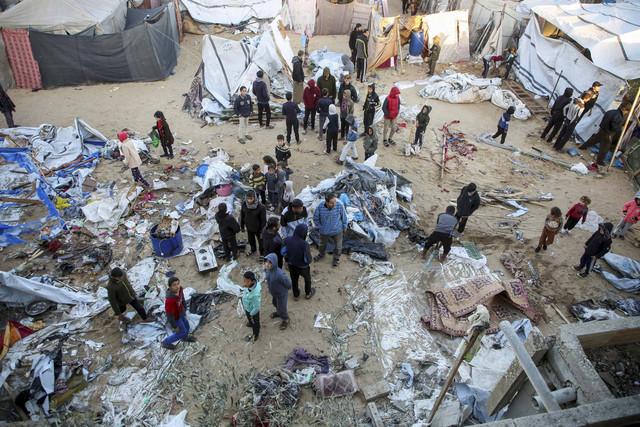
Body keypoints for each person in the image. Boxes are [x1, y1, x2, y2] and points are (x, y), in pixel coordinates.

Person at [313, 193, 348, 267]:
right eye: (332, 203)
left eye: (335, 201)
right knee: (322, 244)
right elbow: (315, 217)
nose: (334, 204)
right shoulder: (320, 206)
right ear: (326, 202)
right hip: (324, 231)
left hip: (337, 230)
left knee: (338, 246)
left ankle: (336, 259)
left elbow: (344, 217)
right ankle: (321, 254)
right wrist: (320, 227)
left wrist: (344, 227)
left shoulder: (339, 205)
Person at [161, 277, 196, 350]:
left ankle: (185, 337)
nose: (177, 286)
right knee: (180, 332)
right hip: (176, 318)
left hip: (181, 314)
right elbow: (169, 315)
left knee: (187, 325)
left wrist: (184, 309)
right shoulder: (170, 301)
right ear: (170, 287)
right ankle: (165, 342)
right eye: (174, 285)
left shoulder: (180, 290)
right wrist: (175, 326)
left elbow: (183, 299)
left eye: (178, 283)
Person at [283, 223, 314, 301]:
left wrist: (288, 260)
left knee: (294, 279)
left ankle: (296, 295)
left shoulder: (287, 239)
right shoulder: (304, 244)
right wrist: (308, 262)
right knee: (307, 279)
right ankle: (308, 293)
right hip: (302, 267)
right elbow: (308, 259)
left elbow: (283, 252)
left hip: (291, 265)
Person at [264, 253, 291, 330]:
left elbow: (288, 283)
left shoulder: (279, 274)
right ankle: (279, 312)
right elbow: (266, 271)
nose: (267, 264)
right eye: (266, 262)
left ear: (274, 263)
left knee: (282, 307)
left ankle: (286, 319)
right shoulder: (268, 270)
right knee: (275, 303)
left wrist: (288, 288)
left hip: (281, 294)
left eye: (270, 262)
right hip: (274, 293)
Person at [241, 190, 267, 257]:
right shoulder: (244, 204)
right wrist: (242, 226)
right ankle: (253, 249)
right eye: (248, 199)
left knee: (261, 242)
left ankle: (262, 253)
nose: (249, 201)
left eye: (251, 199)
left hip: (258, 229)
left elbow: (263, 220)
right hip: (249, 227)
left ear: (254, 198)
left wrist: (262, 231)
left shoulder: (261, 207)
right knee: (251, 240)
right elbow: (242, 215)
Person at [242, 271, 261, 342]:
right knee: (251, 321)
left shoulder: (255, 295)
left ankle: (256, 334)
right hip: (248, 308)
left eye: (247, 282)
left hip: (252, 311)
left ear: (252, 281)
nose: (244, 284)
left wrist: (251, 314)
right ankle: (251, 322)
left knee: (255, 323)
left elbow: (256, 307)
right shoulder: (250, 285)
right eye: (244, 281)